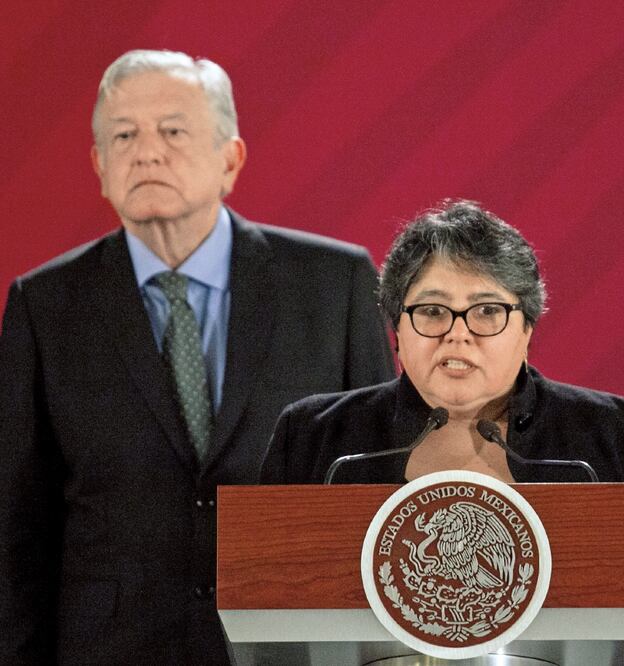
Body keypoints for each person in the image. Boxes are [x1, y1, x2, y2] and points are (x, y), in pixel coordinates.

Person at [0, 49, 394, 664]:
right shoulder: (44, 305)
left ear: (230, 159)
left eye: (173, 131)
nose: (146, 151)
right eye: (123, 135)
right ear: (100, 166)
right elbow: (16, 523)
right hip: (110, 649)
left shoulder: (334, 284)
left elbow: (379, 488)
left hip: (289, 645)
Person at [261, 199, 624, 644]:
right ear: (397, 330)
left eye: (487, 311)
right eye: (431, 311)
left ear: (526, 328)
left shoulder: (621, 436)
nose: (457, 333)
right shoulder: (317, 438)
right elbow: (259, 595)